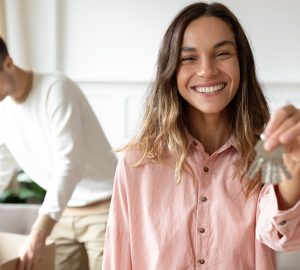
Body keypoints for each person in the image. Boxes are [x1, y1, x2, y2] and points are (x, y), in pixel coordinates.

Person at [102, 2, 300, 269]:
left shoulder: (267, 153)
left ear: (241, 62)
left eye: (222, 54)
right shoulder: (136, 162)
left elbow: (281, 237)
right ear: (171, 69)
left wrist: (294, 166)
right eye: (189, 58)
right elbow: (118, 257)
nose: (207, 70)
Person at [0, 36, 117, 270]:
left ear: (8, 63)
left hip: (104, 210)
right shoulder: (3, 109)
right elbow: (2, 167)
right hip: (63, 212)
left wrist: (38, 233)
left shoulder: (55, 89)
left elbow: (69, 165)